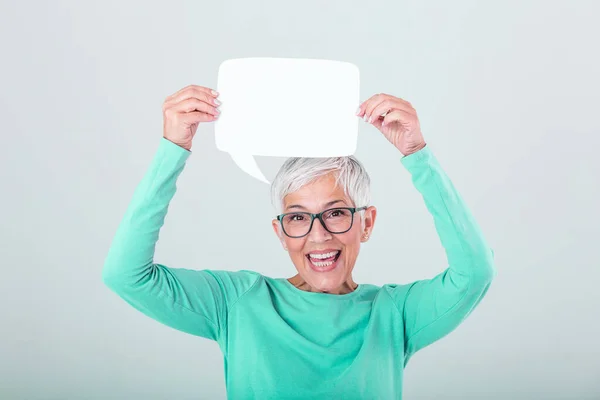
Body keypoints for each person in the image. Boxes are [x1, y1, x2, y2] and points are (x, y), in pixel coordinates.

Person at [102, 84, 496, 399]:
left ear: (367, 222)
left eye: (337, 212)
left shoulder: (395, 314)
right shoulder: (238, 302)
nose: (318, 234)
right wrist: (174, 148)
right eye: (297, 218)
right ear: (280, 232)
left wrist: (417, 153)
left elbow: (474, 272)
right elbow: (126, 275)